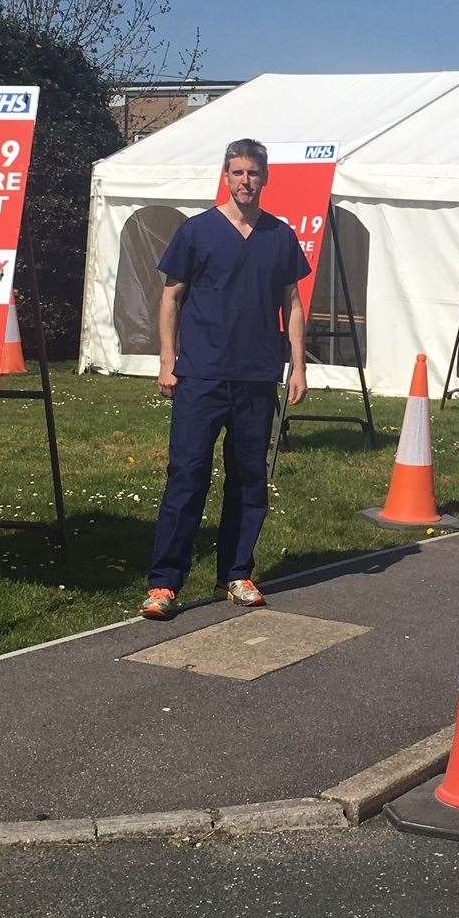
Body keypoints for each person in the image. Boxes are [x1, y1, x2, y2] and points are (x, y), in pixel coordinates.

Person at [142, 139, 311, 620]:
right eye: (237, 173)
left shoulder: (279, 236)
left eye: (253, 173)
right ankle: (164, 583)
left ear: (265, 178)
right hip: (202, 375)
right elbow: (170, 298)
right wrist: (167, 359)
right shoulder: (197, 232)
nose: (245, 181)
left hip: (257, 375)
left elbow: (293, 304)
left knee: (248, 479)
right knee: (187, 475)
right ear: (225, 175)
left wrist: (297, 366)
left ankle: (235, 573)